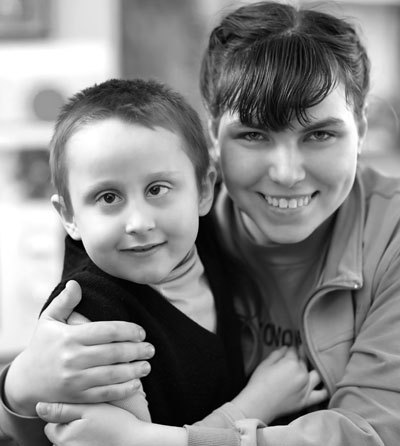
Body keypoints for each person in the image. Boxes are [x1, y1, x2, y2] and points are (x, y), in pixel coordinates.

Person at [33, 1, 400, 445]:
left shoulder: (390, 235)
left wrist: (167, 442)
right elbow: (75, 427)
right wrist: (17, 387)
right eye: (254, 135)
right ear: (212, 137)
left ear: (360, 128)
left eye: (320, 134)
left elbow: (370, 434)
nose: (286, 173)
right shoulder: (164, 227)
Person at [0, 76, 325, 445]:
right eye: (108, 198)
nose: (139, 223)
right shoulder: (91, 325)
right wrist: (255, 404)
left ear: (204, 190)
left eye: (157, 189)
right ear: (70, 216)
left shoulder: (206, 238)